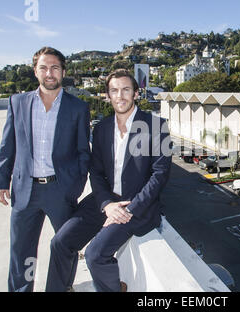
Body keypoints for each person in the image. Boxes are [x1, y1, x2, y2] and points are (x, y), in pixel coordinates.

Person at [46, 69, 172, 292]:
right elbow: (95, 171)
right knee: (60, 242)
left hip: (136, 206)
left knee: (95, 255)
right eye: (114, 90)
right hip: (105, 201)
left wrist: (129, 209)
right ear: (107, 95)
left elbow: (160, 174)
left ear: (135, 93)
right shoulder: (102, 128)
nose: (120, 96)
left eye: (125, 89)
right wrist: (106, 204)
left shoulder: (157, 126)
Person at [0, 46, 91, 292]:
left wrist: (74, 187)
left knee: (66, 245)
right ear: (35, 72)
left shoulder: (78, 108)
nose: (50, 73)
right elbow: (8, 145)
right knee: (21, 251)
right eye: (44, 68)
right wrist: (1, 180)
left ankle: (61, 288)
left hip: (61, 191)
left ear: (63, 72)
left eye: (55, 68)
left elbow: (83, 152)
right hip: (25, 191)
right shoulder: (18, 102)